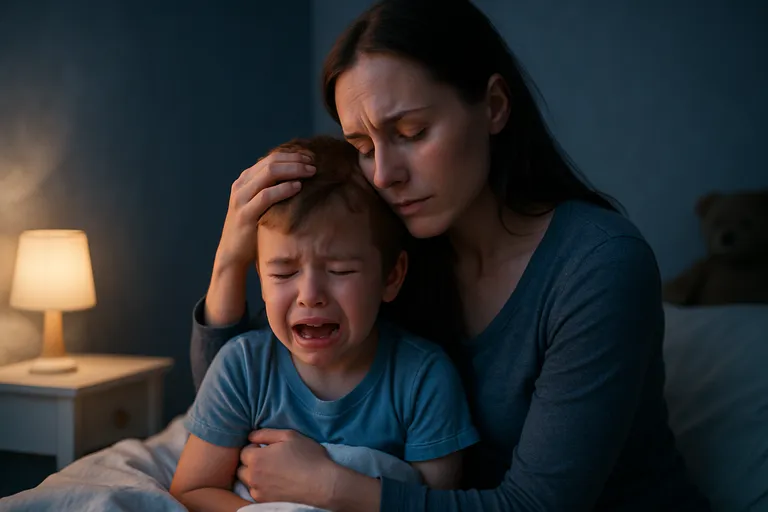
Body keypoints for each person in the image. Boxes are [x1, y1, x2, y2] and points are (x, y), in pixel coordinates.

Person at [190, 1, 711, 510]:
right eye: (364, 147)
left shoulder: (598, 266)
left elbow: (537, 505)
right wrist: (231, 257)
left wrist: (330, 489)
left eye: (411, 133)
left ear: (494, 106)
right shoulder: (398, 245)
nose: (384, 173)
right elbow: (246, 391)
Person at [172, 136, 479, 512]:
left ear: (391, 277)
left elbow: (436, 505)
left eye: (340, 270)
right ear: (261, 279)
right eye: (283, 273)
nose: (310, 295)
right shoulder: (243, 367)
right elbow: (191, 492)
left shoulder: (423, 378)